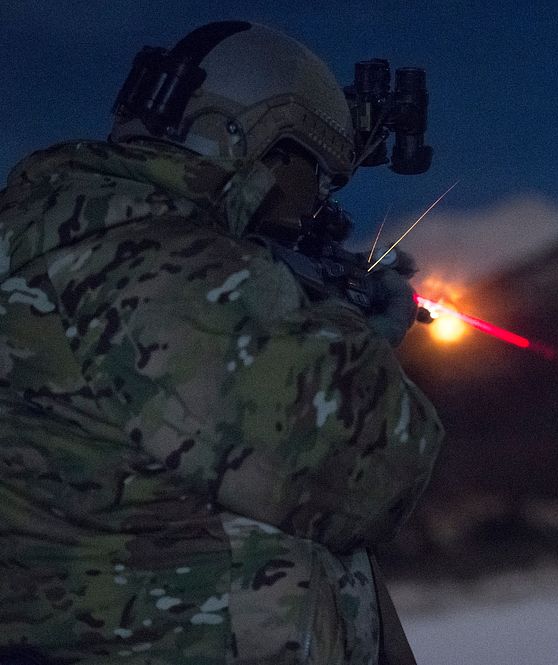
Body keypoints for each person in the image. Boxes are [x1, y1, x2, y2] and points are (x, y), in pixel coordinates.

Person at [0, 21, 443, 665]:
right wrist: (351, 333)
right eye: (311, 172)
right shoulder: (163, 261)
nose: (313, 204)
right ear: (251, 139)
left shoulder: (55, 234)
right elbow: (374, 468)